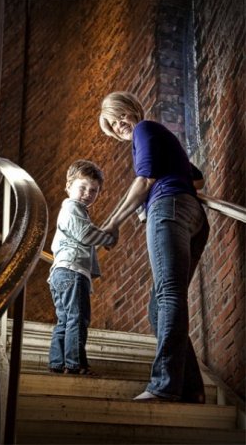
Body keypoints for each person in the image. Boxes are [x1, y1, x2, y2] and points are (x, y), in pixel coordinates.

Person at [99, 91, 210, 403]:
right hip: (192, 216)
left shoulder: (145, 129)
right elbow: (197, 179)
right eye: (112, 124)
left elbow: (145, 180)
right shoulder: (157, 137)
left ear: (132, 109)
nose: (119, 124)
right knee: (156, 306)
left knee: (168, 296)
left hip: (169, 208)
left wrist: (112, 222)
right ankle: (191, 388)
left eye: (119, 115)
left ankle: (164, 386)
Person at [48, 159, 116, 375]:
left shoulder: (74, 210)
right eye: (82, 187)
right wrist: (107, 237)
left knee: (65, 319)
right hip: (72, 272)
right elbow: (85, 234)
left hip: (61, 272)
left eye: (93, 190)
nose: (87, 193)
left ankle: (58, 363)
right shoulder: (72, 207)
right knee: (77, 318)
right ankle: (75, 364)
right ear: (68, 186)